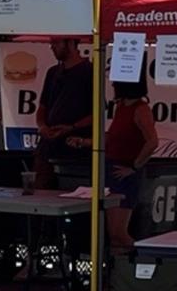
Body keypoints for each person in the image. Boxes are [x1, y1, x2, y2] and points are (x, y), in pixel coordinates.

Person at [68, 78, 159, 248]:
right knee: (113, 235)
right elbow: (112, 137)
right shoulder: (121, 106)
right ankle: (118, 271)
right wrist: (84, 142)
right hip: (111, 168)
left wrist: (134, 166)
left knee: (119, 233)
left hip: (123, 171)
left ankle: (145, 261)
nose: (112, 86)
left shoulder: (141, 109)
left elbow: (152, 142)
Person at [34, 39, 93, 189]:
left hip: (75, 149)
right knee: (41, 191)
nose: (52, 47)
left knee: (70, 191)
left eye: (56, 43)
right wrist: (42, 126)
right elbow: (42, 106)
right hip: (48, 146)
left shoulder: (89, 72)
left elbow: (97, 113)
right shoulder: (53, 72)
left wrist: (72, 127)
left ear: (71, 44)